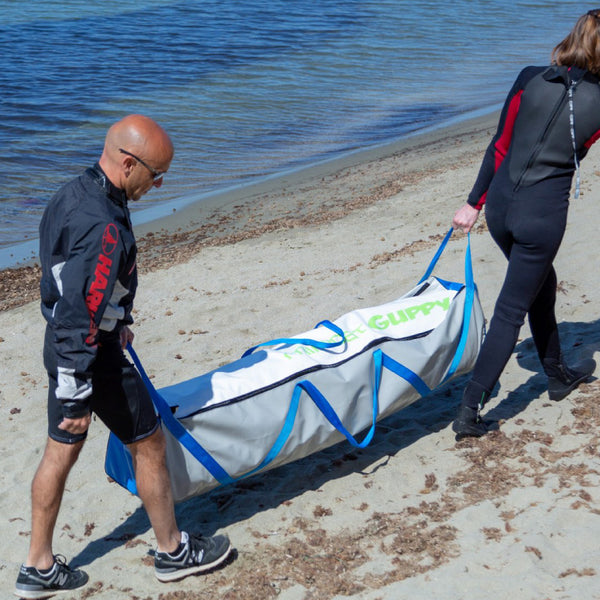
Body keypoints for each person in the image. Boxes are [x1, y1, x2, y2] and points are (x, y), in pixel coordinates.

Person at [15, 115, 232, 599]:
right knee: (148, 442)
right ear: (128, 163)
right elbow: (78, 312)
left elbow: (68, 278)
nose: (159, 185)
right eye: (156, 175)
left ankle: (38, 567)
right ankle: (173, 551)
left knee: (59, 452)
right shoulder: (103, 224)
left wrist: (118, 314)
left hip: (69, 345)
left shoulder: (74, 193)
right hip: (90, 356)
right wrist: (75, 395)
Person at [451, 10, 600, 439]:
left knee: (540, 285)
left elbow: (499, 145)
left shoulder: (530, 77)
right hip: (541, 218)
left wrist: (472, 203)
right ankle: (469, 412)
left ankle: (556, 373)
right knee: (511, 310)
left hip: (499, 206)